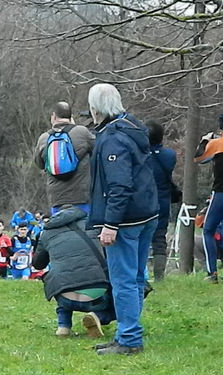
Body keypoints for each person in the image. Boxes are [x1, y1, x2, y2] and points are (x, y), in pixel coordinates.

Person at [87, 83, 159, 355]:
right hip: (147, 213)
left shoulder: (112, 139)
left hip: (126, 220)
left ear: (96, 109)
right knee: (137, 277)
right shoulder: (133, 126)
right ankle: (128, 330)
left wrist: (110, 224)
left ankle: (129, 338)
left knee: (124, 280)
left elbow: (119, 185)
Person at [32, 206, 116, 338]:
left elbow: (37, 265)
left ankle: (63, 326)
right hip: (98, 298)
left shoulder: (46, 233)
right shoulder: (95, 225)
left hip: (65, 298)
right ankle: (98, 317)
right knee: (126, 299)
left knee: (60, 278)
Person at [33, 102, 95, 215]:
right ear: (71, 117)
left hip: (57, 198)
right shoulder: (82, 132)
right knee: (83, 230)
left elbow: (39, 164)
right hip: (82, 196)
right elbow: (97, 151)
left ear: (53, 116)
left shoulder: (44, 138)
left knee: (60, 230)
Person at [146, 120, 177, 281]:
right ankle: (159, 277)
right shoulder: (169, 156)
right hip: (163, 201)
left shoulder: (140, 156)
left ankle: (141, 274)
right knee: (160, 237)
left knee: (140, 237)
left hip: (144, 201)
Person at [194, 113, 223, 284]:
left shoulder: (217, 144)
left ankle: (212, 273)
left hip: (220, 193)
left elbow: (199, 158)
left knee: (208, 230)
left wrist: (205, 140)